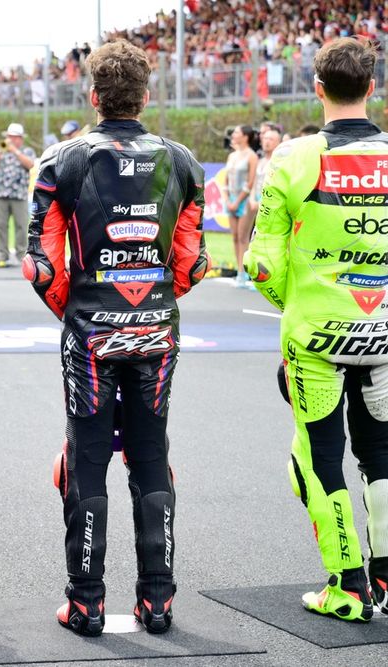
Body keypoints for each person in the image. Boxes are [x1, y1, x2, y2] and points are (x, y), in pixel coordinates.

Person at [22, 40, 208, 637]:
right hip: (155, 329)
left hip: (92, 334)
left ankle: (87, 604)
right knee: (152, 458)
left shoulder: (61, 160)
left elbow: (43, 268)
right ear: (146, 96)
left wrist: (82, 315)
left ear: (94, 96)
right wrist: (150, 307)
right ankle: (158, 603)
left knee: (88, 458)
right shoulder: (181, 161)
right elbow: (193, 264)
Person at [246, 37, 388, 623]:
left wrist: (296, 306)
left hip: (317, 340)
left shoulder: (294, 157)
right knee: (381, 455)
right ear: (372, 88)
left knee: (317, 460)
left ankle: (348, 588)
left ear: (318, 88)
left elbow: (260, 263)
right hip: (384, 336)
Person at [0, 123, 36, 268]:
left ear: (21, 139)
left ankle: (22, 255)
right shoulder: (0, 150)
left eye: (15, 137)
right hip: (1, 194)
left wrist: (15, 150)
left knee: (21, 226)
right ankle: (3, 255)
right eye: (10, 137)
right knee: (0, 226)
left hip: (19, 195)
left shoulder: (27, 151)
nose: (11, 140)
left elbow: (30, 164)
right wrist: (1, 150)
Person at [223, 125, 258, 288]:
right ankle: (239, 271)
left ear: (245, 136)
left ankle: (245, 272)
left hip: (244, 201)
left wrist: (237, 201)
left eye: (237, 132)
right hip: (230, 200)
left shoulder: (251, 156)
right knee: (235, 237)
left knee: (244, 237)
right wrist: (227, 199)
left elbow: (251, 182)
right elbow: (225, 180)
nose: (234, 135)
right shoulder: (232, 156)